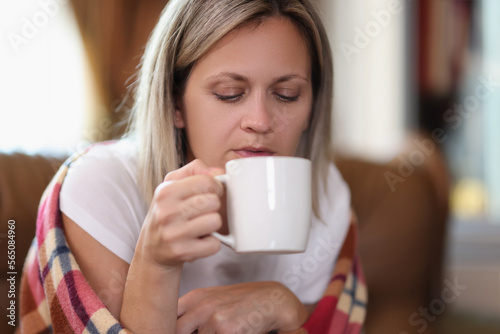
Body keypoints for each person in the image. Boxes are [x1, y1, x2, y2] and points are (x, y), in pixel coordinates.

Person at [42, 0, 353, 333]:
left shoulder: (324, 193)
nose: (261, 121)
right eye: (230, 93)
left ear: (312, 108)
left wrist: (286, 306)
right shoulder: (102, 186)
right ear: (175, 102)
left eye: (287, 94)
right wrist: (155, 262)